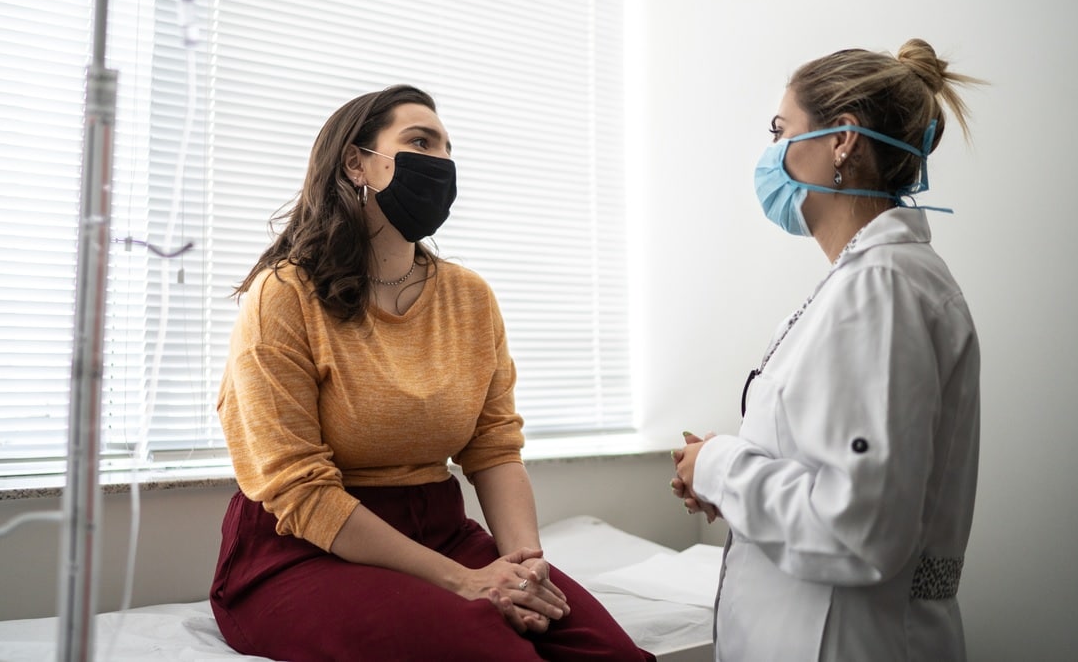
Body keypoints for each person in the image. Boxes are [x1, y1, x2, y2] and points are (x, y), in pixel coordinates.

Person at [210, 85, 653, 662]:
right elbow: (298, 489)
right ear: (357, 162)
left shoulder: (469, 298)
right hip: (303, 550)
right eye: (420, 141)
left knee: (610, 654)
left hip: (440, 532)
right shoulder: (284, 296)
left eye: (447, 148)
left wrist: (525, 567)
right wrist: (464, 581)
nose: (440, 162)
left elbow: (493, 446)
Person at [671, 39, 984, 661]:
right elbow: (836, 471)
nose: (770, 153)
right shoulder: (867, 282)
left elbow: (858, 529)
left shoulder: (882, 289)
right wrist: (727, 480)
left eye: (780, 130)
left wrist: (717, 466)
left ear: (843, 138)